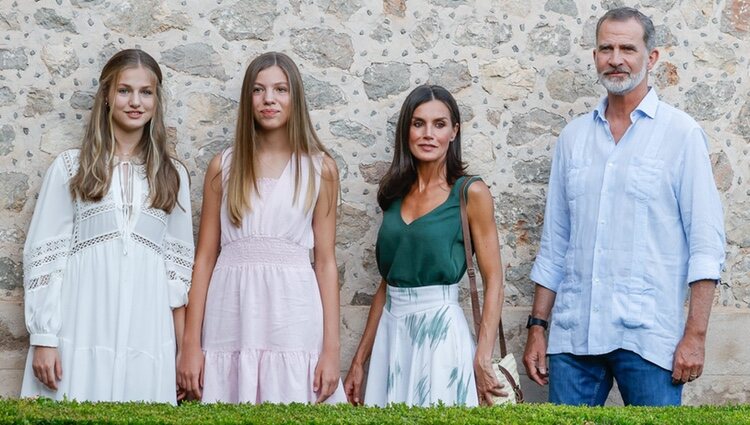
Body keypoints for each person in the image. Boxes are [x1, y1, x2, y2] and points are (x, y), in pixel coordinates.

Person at [522, 7, 726, 406]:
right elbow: (555, 244)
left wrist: (695, 336)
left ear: (651, 58)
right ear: (595, 56)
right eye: (606, 48)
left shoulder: (681, 135)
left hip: (650, 340)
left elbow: (706, 245)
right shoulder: (573, 139)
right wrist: (537, 326)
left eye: (627, 48)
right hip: (574, 337)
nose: (616, 59)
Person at [21, 49, 194, 404]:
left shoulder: (172, 176)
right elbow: (46, 254)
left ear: (157, 100)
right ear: (106, 97)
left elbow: (177, 275)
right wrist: (44, 338)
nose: (135, 102)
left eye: (146, 92)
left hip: (147, 333)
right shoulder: (72, 168)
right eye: (124, 90)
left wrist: (181, 352)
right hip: (81, 326)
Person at [177, 52, 345, 404]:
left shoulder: (319, 169)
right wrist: (190, 346)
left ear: (294, 98)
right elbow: (205, 258)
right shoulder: (223, 166)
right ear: (247, 99)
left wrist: (331, 350)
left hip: (293, 313)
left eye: (280, 89)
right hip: (231, 312)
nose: (269, 99)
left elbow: (326, 263)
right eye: (258, 90)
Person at [343, 85, 506, 407]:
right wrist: (360, 361)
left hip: (441, 332)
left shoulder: (470, 192)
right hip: (393, 333)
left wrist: (483, 358)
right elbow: (387, 284)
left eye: (439, 124)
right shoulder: (393, 195)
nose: (428, 133)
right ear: (406, 131)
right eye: (418, 124)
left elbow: (495, 279)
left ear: (454, 131)